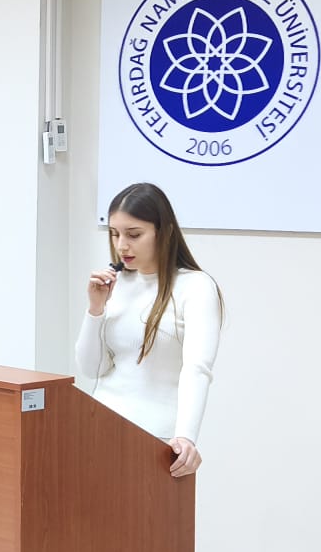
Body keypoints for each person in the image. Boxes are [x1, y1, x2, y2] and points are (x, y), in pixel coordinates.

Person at [76, 183, 223, 479]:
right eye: (114, 234)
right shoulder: (115, 284)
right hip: (98, 431)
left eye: (134, 234)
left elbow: (197, 369)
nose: (121, 245)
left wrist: (186, 437)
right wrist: (95, 310)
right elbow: (92, 369)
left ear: (164, 232)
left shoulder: (195, 286)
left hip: (157, 441)